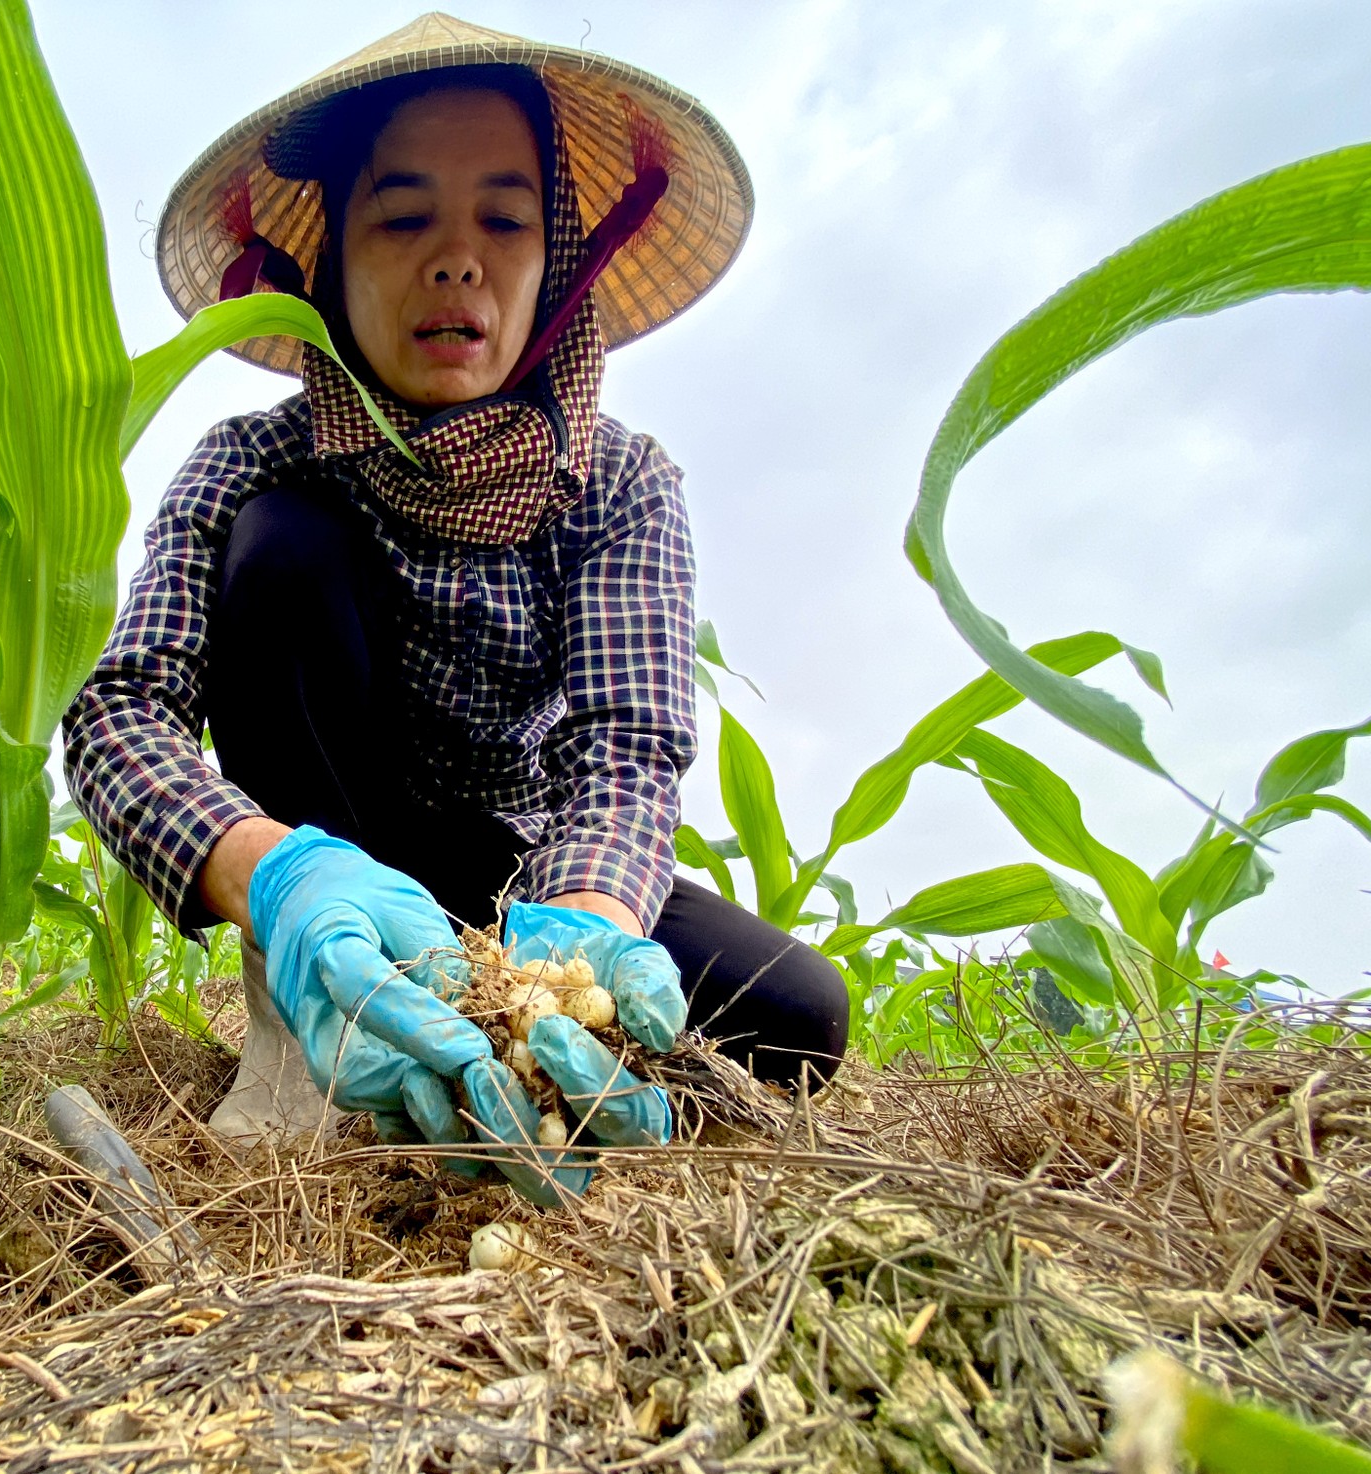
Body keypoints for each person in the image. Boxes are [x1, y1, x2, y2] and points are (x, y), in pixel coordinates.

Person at [63, 14, 848, 1203]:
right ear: (327, 264)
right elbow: (120, 711)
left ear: (559, 260)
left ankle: (524, 1075)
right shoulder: (245, 464)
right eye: (402, 215)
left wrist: (569, 947)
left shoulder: (622, 483)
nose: (455, 259)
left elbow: (624, 747)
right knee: (288, 545)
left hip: (525, 871)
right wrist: (272, 874)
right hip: (331, 858)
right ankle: (309, 1026)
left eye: (503, 218)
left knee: (797, 1015)